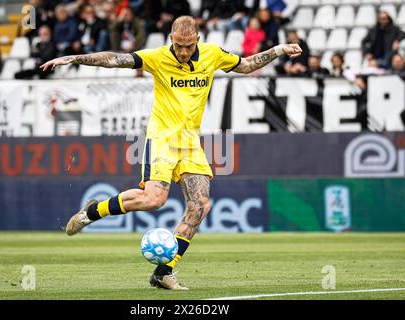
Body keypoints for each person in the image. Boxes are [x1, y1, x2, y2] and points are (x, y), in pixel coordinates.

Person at [40, 15, 302, 290]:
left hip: (189, 142)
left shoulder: (213, 55)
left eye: (189, 46)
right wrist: (75, 58)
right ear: (171, 40)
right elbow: (116, 59)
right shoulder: (159, 57)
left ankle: (164, 272)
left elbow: (247, 65)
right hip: (162, 138)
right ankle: (94, 211)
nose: (183, 51)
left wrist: (280, 50)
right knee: (154, 199)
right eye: (179, 45)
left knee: (200, 206)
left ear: (198, 41)